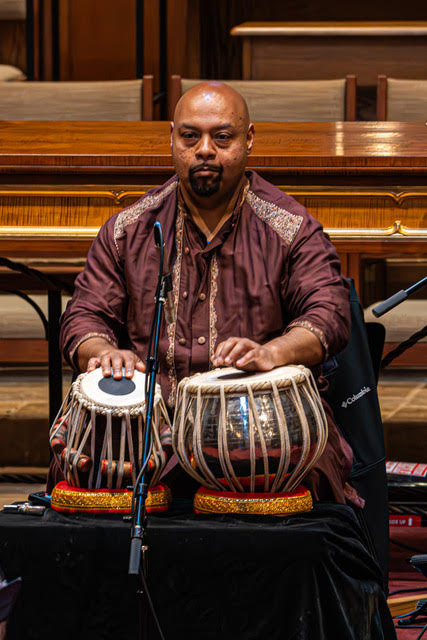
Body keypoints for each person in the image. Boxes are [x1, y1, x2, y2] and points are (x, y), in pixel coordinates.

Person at [57, 81, 355, 504]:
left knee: (311, 474)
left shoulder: (290, 229)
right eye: (190, 136)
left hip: (260, 425)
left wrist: (274, 352)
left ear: (248, 140)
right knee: (86, 463)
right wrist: (102, 350)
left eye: (222, 137)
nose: (205, 150)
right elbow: (84, 315)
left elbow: (329, 313)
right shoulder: (128, 230)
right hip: (149, 427)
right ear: (173, 140)